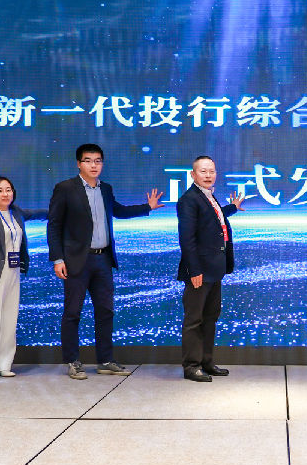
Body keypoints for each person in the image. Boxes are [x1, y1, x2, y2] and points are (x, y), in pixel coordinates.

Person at [48, 143, 164, 379]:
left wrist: (147, 207)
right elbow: (54, 226)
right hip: (76, 261)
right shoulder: (65, 188)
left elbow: (118, 211)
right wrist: (58, 259)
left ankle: (105, 360)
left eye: (98, 161)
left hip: (103, 259)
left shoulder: (106, 189)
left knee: (105, 311)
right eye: (88, 160)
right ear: (79, 163)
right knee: (72, 312)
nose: (94, 165)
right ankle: (72, 361)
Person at [176, 156, 247, 382]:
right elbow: (187, 239)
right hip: (200, 271)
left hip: (214, 269)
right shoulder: (189, 200)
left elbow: (212, 220)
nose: (208, 175)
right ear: (193, 174)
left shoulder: (207, 196)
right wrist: (194, 270)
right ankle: (191, 366)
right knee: (194, 320)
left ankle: (206, 362)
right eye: (203, 171)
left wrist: (232, 208)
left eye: (212, 171)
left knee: (210, 318)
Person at [0, 176, 45, 380]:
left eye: (8, 190)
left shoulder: (17, 213)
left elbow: (40, 213)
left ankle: (4, 364)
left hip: (14, 272)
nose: (5, 194)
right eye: (0, 190)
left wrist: (62, 210)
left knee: (9, 319)